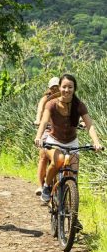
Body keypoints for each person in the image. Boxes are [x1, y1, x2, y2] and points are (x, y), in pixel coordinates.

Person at [34, 74, 103, 204]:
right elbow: (43, 122)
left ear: (74, 88)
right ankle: (47, 187)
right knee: (58, 160)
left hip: (72, 142)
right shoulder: (51, 104)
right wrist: (38, 137)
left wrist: (96, 142)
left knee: (73, 174)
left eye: (70, 87)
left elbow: (89, 125)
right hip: (54, 141)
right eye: (64, 87)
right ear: (60, 88)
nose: (67, 90)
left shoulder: (79, 105)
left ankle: (72, 214)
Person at [33, 77, 60, 196]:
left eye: (57, 87)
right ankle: (40, 185)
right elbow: (40, 111)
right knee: (43, 155)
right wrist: (38, 120)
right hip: (47, 129)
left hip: (60, 131)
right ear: (49, 88)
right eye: (53, 87)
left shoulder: (65, 99)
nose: (55, 89)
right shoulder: (45, 99)